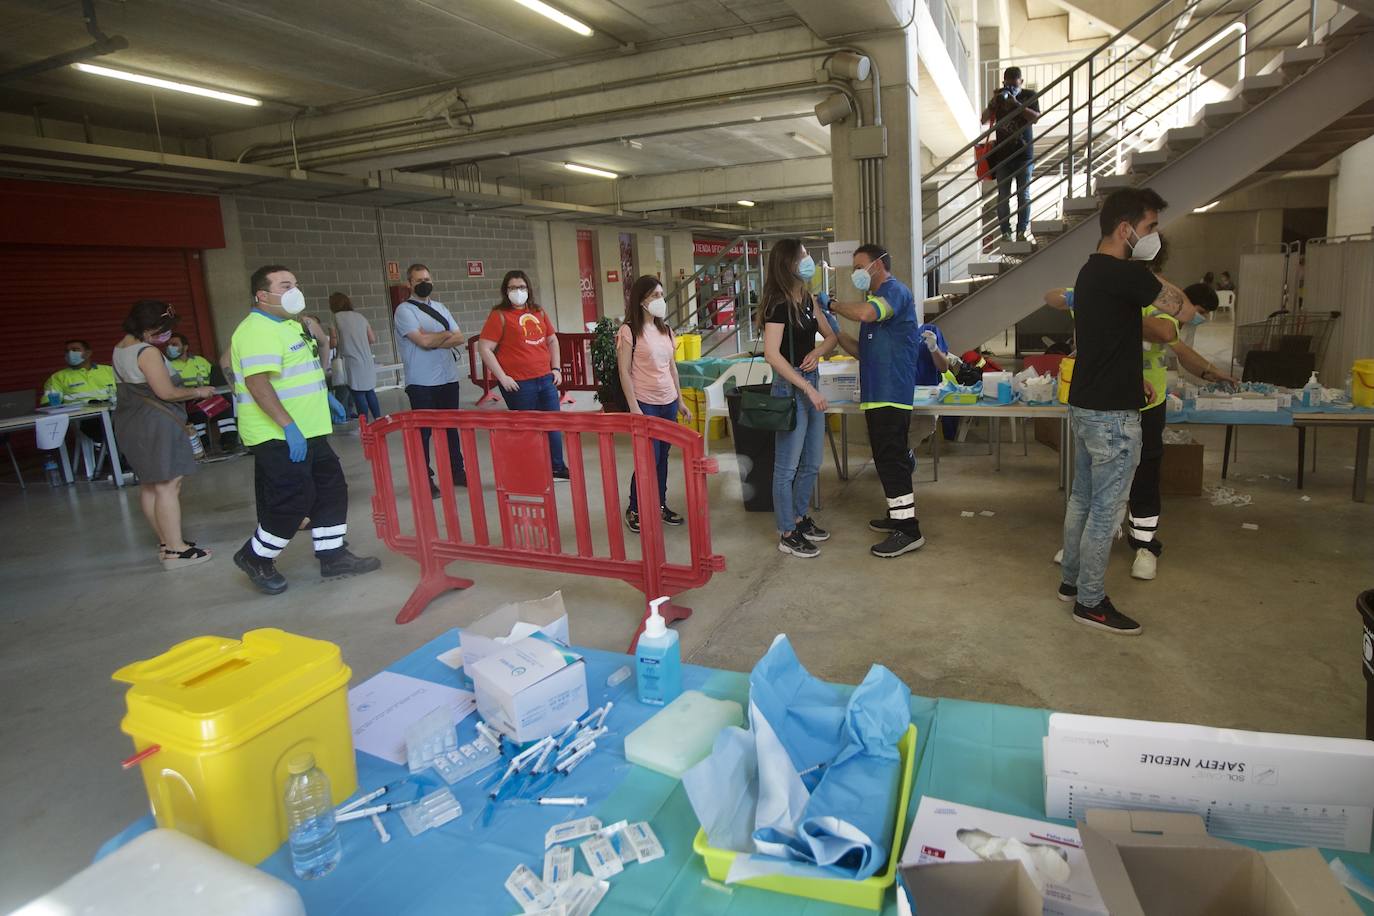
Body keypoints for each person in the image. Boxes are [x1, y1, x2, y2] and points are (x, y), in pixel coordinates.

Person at [1058, 187, 1188, 635]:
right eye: (1151, 227)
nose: (1155, 235)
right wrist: (1146, 266)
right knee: (1105, 511)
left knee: (1082, 499)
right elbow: (1180, 308)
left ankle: (1071, 583)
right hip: (1113, 416)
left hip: (1088, 403)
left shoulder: (1090, 272)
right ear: (1126, 229)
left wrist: (1133, 379)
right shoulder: (1125, 274)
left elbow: (1110, 338)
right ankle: (1090, 602)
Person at [1046, 233, 1202, 583]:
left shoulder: (1142, 292)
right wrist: (1089, 299)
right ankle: (1081, 569)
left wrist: (1120, 309)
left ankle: (1144, 545)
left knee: (1143, 473)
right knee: (1093, 493)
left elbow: (1167, 329)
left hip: (1147, 398)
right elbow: (1052, 297)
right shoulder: (1101, 281)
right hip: (1106, 398)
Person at [230, 264, 379, 595]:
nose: (294, 291)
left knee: (331, 490)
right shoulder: (257, 330)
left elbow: (299, 371)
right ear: (262, 295)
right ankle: (255, 556)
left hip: (311, 430)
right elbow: (257, 383)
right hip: (280, 435)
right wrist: (288, 426)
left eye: (295, 284)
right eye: (285, 286)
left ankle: (332, 554)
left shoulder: (289, 325)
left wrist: (325, 396)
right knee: (293, 501)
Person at [826, 244, 925, 558]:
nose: (856, 272)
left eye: (859, 266)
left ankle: (908, 530)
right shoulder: (874, 304)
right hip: (875, 396)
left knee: (892, 460)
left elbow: (866, 312)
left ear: (878, 265)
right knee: (885, 459)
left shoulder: (893, 293)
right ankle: (897, 516)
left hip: (891, 394)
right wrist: (835, 330)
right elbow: (861, 351)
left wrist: (831, 303)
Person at [111, 301, 216, 570]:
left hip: (131, 422)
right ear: (149, 328)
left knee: (151, 485)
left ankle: (166, 542)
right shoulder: (146, 353)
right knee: (169, 485)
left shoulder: (120, 348)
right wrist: (199, 392)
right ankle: (175, 551)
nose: (166, 335)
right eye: (163, 329)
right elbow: (166, 393)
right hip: (155, 425)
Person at [759, 239, 839, 558]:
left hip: (811, 380)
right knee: (787, 466)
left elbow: (831, 335)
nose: (809, 260)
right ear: (788, 263)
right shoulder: (777, 304)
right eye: (804, 255)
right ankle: (787, 531)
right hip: (791, 386)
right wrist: (807, 387)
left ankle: (799, 517)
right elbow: (771, 355)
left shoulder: (807, 298)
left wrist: (819, 352)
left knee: (812, 461)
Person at [617, 276, 692, 533]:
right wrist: (634, 407)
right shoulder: (629, 331)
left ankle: (659, 505)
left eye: (661, 294)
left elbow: (672, 368)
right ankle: (635, 508)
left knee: (663, 459)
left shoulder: (666, 330)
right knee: (649, 458)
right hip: (645, 403)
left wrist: (680, 400)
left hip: (667, 402)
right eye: (654, 296)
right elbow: (624, 372)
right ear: (641, 300)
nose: (660, 300)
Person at [478, 270, 569, 480]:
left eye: (521, 287)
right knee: (528, 429)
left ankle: (557, 467)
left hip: (545, 378)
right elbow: (484, 348)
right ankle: (534, 470)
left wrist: (556, 368)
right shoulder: (499, 315)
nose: (517, 291)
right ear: (505, 291)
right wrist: (502, 377)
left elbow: (552, 340)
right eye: (512, 288)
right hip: (519, 384)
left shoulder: (538, 312)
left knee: (553, 425)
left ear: (528, 288)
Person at [395, 264, 468, 496]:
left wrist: (435, 337)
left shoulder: (440, 307)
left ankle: (457, 470)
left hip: (447, 377)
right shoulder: (405, 311)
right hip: (421, 381)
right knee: (423, 432)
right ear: (409, 284)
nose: (423, 283)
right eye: (418, 280)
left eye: (427, 278)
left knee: (450, 428)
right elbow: (422, 342)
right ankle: (424, 477)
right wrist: (444, 335)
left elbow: (459, 337)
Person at [982, 66, 1041, 242]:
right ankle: (1006, 232)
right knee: (1003, 197)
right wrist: (993, 102)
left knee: (1023, 195)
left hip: (1024, 155)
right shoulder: (999, 97)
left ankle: (1021, 231)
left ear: (1021, 82)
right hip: (1003, 156)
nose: (1012, 88)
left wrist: (1016, 104)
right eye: (1008, 85)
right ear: (1004, 83)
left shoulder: (1029, 95)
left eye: (1015, 85)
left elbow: (1036, 117)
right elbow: (983, 119)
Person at [41, 339, 119, 451]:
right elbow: (48, 405)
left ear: (88, 353)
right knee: (106, 428)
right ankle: (112, 456)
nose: (70, 353)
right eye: (67, 351)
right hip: (85, 418)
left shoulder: (108, 371)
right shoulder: (58, 378)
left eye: (75, 350)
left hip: (115, 413)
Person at [329, 292, 382, 422]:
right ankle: (379, 419)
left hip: (351, 360)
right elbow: (372, 339)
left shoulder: (335, 318)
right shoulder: (361, 317)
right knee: (370, 391)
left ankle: (365, 425)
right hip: (367, 359)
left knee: (358, 393)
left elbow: (334, 343)